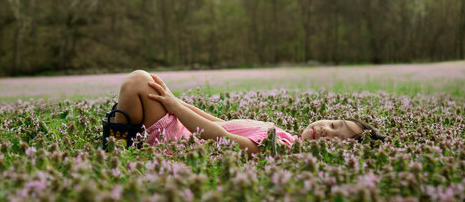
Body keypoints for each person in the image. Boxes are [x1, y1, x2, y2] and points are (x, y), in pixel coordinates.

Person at [112, 70, 386, 155]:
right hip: (186, 128)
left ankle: (115, 141)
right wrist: (174, 100)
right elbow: (220, 121)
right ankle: (118, 136)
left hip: (181, 143)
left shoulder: (280, 147)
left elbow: (220, 136)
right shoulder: (285, 135)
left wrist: (174, 107)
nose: (326, 129)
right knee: (149, 85)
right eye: (334, 123)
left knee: (139, 82)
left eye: (333, 139)